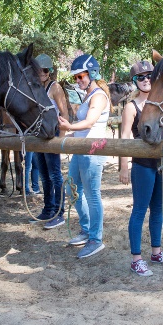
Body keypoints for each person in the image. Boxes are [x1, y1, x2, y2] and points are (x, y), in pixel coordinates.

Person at [58, 54, 110, 258]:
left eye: (81, 76)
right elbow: (84, 127)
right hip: (81, 149)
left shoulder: (98, 96)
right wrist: (71, 132)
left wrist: (69, 126)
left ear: (92, 74)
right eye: (76, 78)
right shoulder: (88, 95)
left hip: (93, 152)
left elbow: (89, 122)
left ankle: (96, 239)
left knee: (92, 194)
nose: (78, 80)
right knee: (72, 190)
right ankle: (87, 229)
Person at [118, 60, 163, 276]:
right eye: (141, 77)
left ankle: (156, 251)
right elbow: (124, 136)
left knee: (158, 209)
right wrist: (124, 166)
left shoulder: (161, 102)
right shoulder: (131, 106)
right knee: (139, 210)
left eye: (149, 76)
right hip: (142, 164)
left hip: (160, 163)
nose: (146, 80)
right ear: (135, 81)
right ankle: (136, 258)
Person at [31, 54, 67, 228]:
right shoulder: (35, 87)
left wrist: (62, 138)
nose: (41, 73)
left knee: (55, 174)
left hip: (53, 134)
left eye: (44, 70)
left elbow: (64, 113)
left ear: (49, 72)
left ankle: (60, 212)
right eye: (38, 71)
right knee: (44, 175)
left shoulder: (55, 88)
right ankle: (48, 209)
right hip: (39, 134)